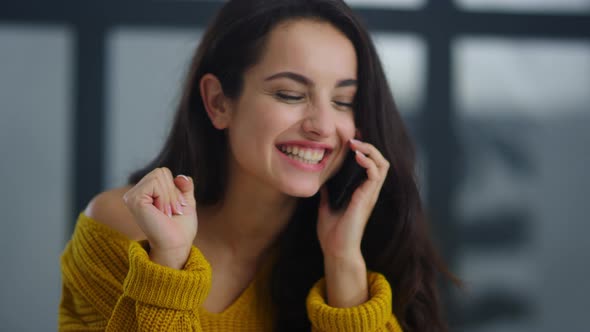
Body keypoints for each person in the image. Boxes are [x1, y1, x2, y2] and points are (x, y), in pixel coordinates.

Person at [59, 0, 456, 331]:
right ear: (218, 102)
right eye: (289, 94)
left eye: (343, 102)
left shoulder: (357, 251)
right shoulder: (120, 232)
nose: (321, 126)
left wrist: (342, 260)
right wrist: (169, 263)